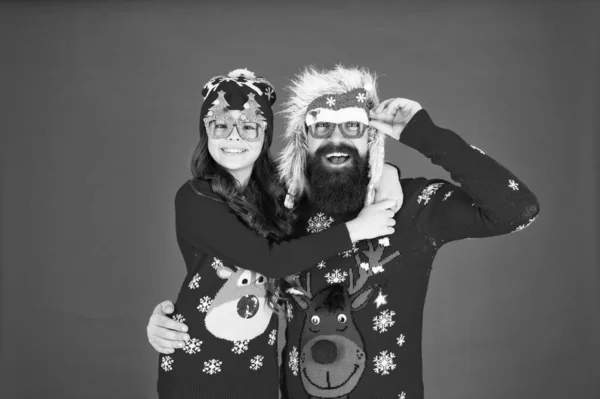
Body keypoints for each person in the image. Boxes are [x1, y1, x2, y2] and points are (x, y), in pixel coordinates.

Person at [149, 65, 540, 399]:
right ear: (305, 140)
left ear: (372, 137)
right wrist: (168, 321)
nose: (336, 140)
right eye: (322, 128)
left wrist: (427, 136)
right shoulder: (282, 212)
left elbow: (517, 209)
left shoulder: (413, 205)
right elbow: (229, 262)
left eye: (352, 126)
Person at [153, 68, 401, 399]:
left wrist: (387, 171)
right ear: (206, 133)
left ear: (264, 135)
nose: (235, 138)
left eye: (249, 127)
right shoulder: (196, 197)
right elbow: (270, 261)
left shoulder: (277, 198)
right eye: (221, 126)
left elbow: (334, 170)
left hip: (259, 371)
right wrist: (354, 231)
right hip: (198, 369)